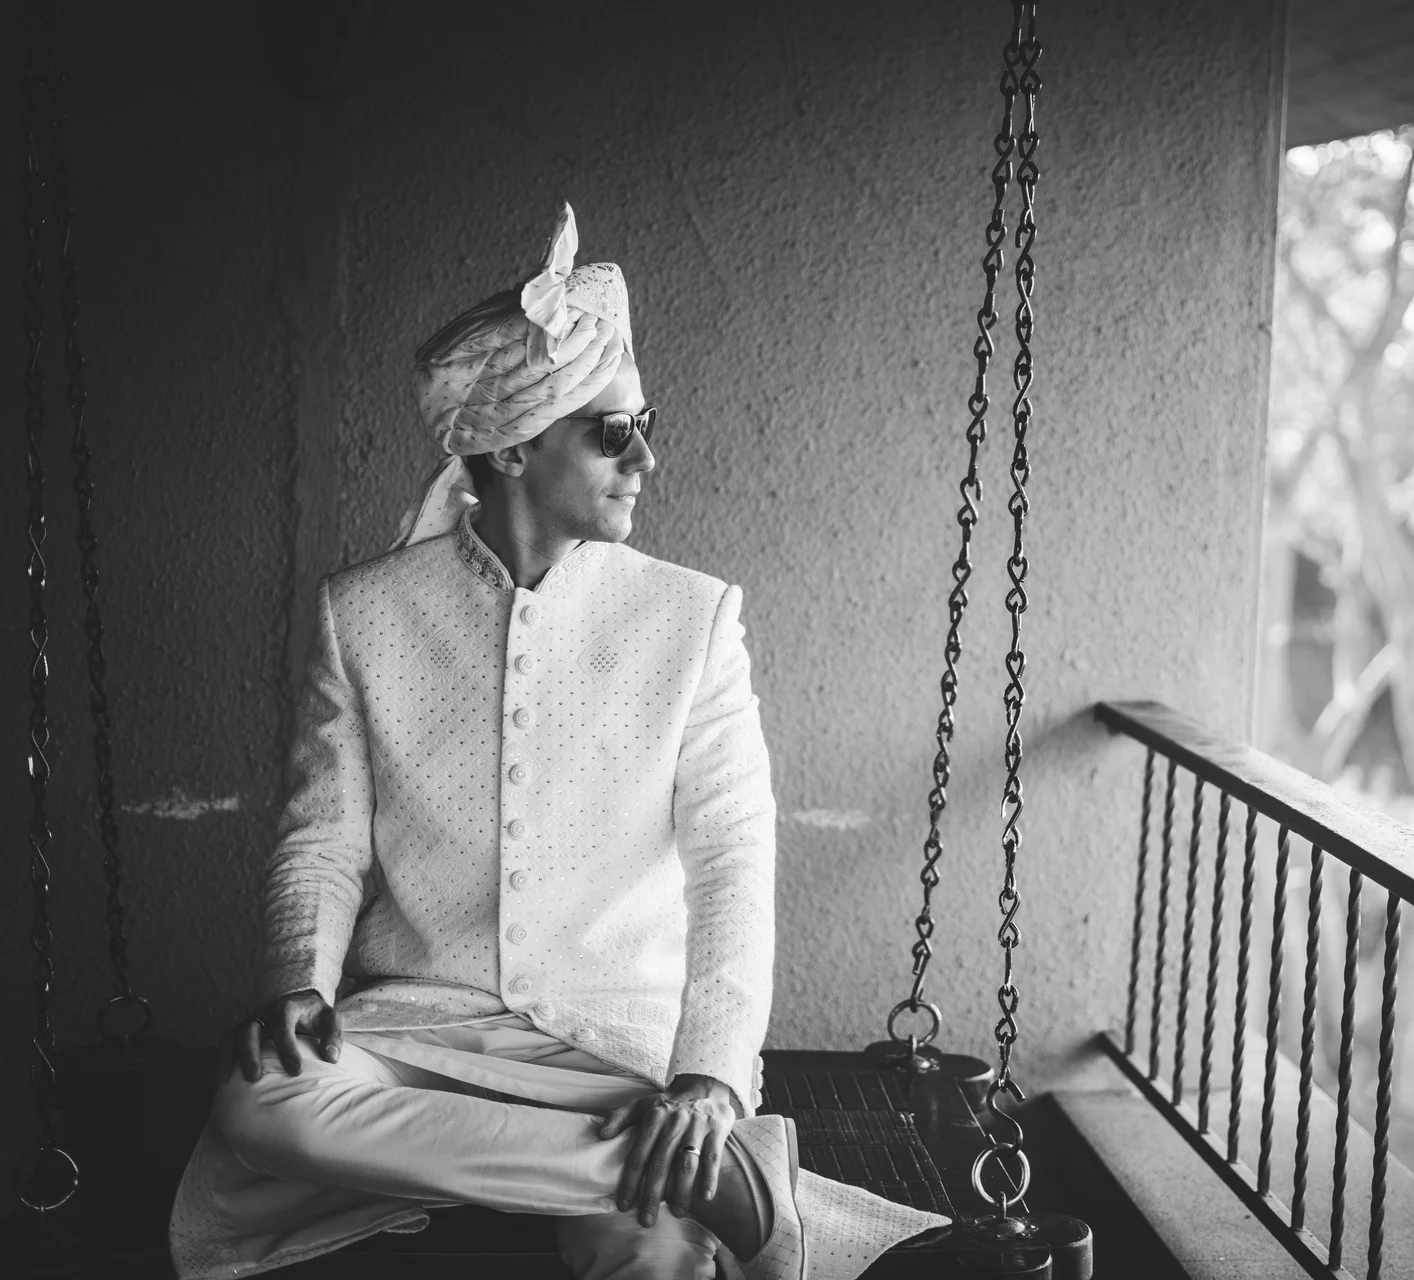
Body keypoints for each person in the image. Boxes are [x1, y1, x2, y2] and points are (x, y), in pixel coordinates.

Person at [168, 204, 948, 1280]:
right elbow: (321, 840)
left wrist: (714, 1076)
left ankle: (678, 1159)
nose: (649, 457)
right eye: (614, 431)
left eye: (645, 421)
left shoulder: (695, 618)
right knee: (263, 1101)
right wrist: (298, 977)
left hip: (620, 1050)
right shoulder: (366, 614)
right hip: (419, 1037)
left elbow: (733, 862)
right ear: (515, 445)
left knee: (651, 1259)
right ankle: (720, 1179)